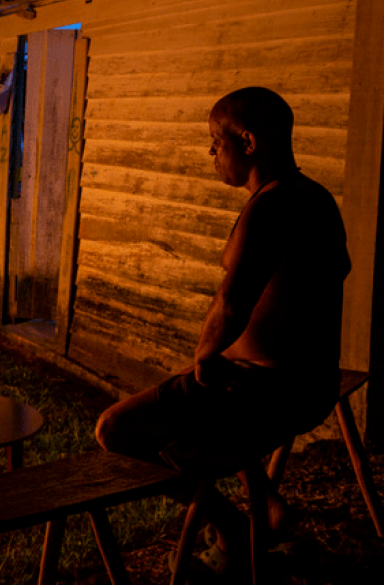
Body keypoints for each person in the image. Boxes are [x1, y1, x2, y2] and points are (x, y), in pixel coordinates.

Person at [95, 86, 350, 571]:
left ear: (248, 141)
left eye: (216, 141)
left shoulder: (270, 207)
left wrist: (205, 355)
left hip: (267, 391)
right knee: (210, 401)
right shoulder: (317, 199)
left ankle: (230, 528)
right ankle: (269, 505)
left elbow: (232, 303)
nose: (211, 153)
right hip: (314, 385)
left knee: (116, 428)